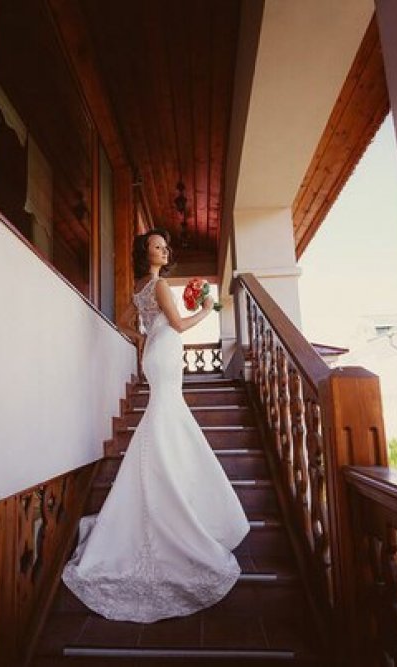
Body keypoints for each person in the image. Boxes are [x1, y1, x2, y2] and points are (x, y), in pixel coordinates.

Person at [61, 228, 250, 623]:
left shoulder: (138, 288)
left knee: (164, 415)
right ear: (144, 251)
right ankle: (171, 486)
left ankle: (164, 478)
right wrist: (208, 308)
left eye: (165, 247)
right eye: (156, 246)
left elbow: (125, 323)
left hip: (156, 354)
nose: (164, 251)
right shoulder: (159, 285)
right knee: (167, 413)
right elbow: (179, 325)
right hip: (164, 352)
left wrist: (147, 337)